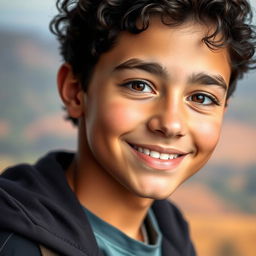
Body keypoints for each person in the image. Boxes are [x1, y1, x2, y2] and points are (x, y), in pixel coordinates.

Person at [0, 0, 255, 255]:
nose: (170, 124)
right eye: (139, 86)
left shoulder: (173, 237)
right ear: (75, 92)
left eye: (201, 98)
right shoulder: (15, 245)